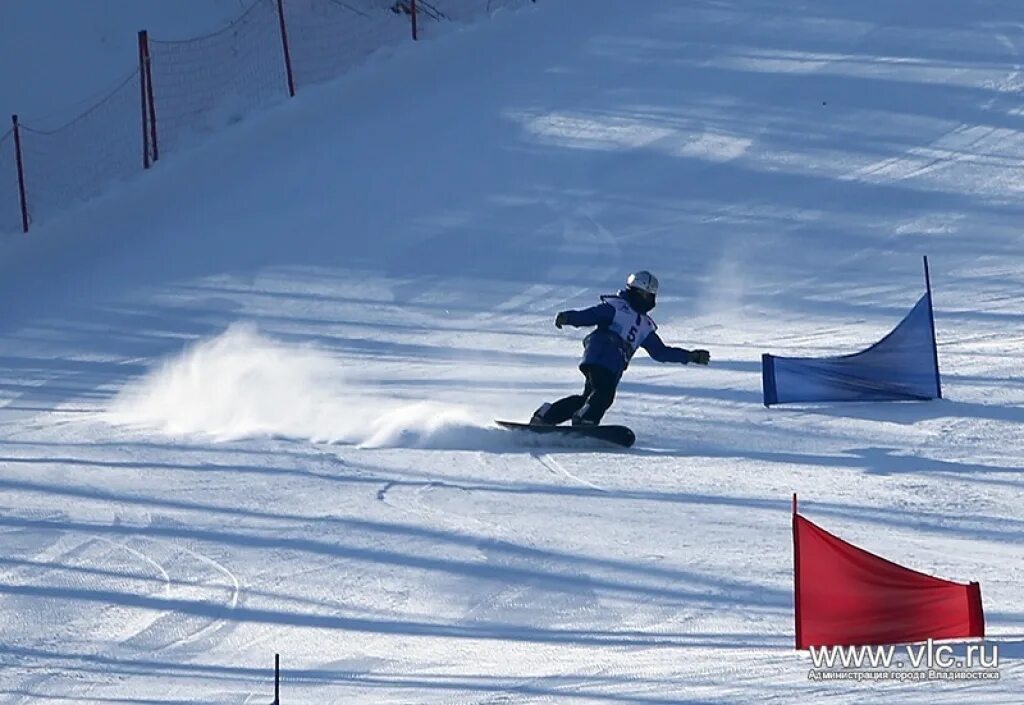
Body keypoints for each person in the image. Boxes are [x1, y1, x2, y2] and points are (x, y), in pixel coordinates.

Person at [531, 271, 710, 426]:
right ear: (635, 292)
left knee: (588, 398)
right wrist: (568, 318)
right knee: (604, 394)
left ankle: (547, 415)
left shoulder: (644, 326)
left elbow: (660, 352)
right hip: (600, 354)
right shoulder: (618, 307)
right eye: (645, 295)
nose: (649, 300)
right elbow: (590, 315)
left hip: (613, 365)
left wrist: (690, 356)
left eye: (651, 296)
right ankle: (585, 420)